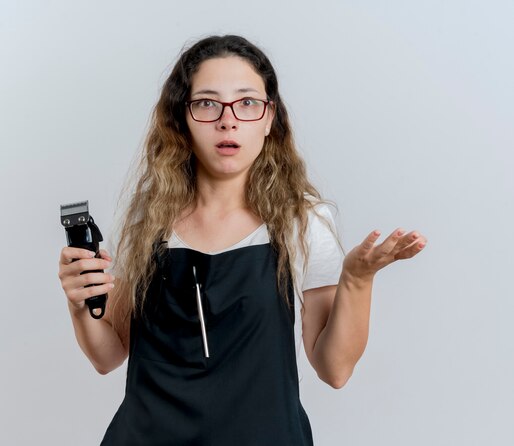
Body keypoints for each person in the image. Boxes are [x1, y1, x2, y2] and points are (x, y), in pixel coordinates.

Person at [57, 35, 427, 445]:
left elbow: (334, 369)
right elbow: (108, 356)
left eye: (247, 103)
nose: (228, 120)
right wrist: (79, 305)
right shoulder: (151, 220)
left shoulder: (301, 221)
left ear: (270, 119)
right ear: (181, 118)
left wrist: (358, 280)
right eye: (207, 103)